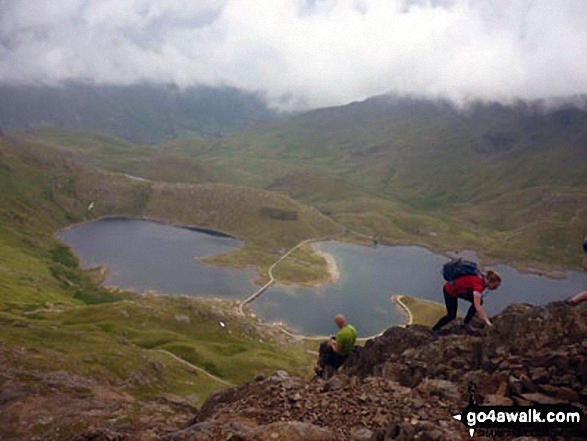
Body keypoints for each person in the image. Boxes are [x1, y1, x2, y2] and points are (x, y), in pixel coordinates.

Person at [432, 270, 502, 336]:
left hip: (459, 290)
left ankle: (466, 322)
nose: (496, 288)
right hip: (450, 290)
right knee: (452, 315)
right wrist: (487, 321)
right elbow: (477, 306)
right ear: (490, 282)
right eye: (495, 286)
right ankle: (435, 329)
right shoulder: (479, 285)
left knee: (480, 301)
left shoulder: (482, 278)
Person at [316, 314, 356, 378]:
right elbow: (348, 339)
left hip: (341, 357)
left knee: (324, 346)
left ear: (338, 323)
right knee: (326, 345)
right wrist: (336, 339)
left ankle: (321, 366)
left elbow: (337, 351)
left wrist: (332, 344)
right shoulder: (352, 328)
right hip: (348, 352)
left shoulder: (340, 334)